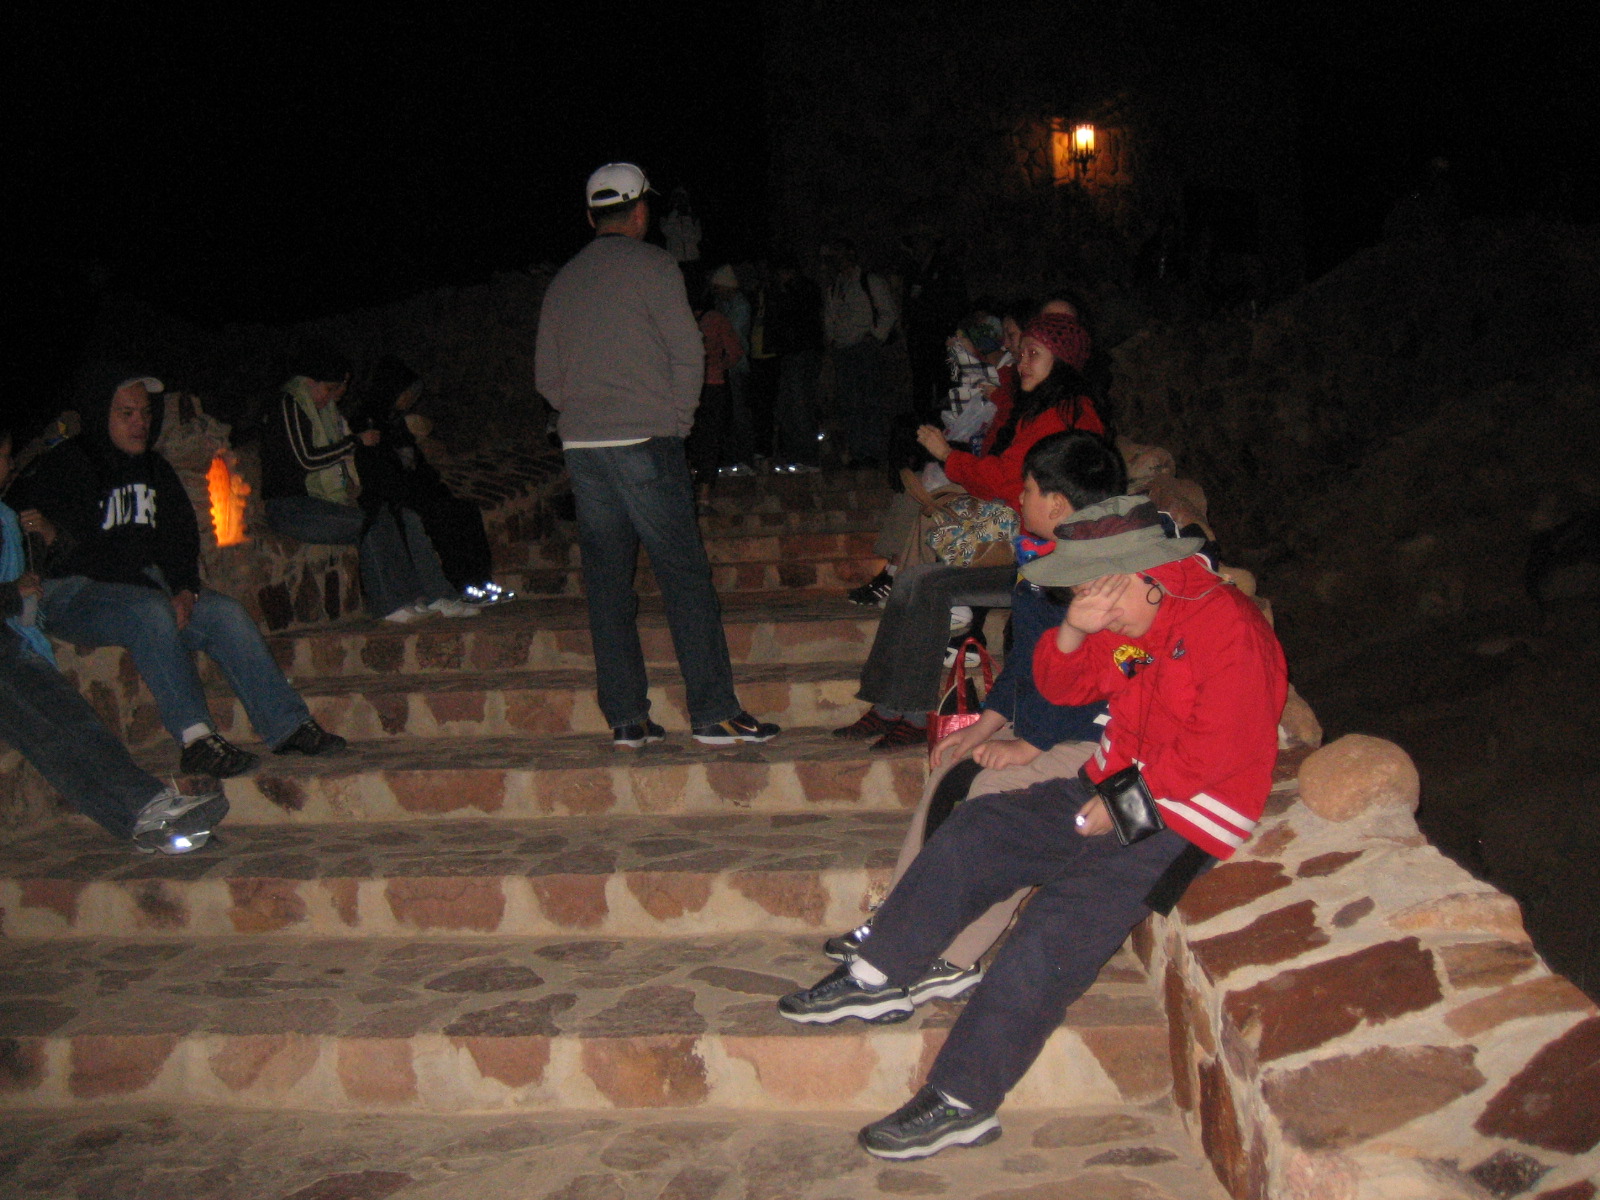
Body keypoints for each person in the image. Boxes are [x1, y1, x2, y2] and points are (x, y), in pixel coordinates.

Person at [778, 495, 1287, 1161]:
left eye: (1088, 585)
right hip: (1109, 785)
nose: (1081, 595)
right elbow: (1065, 687)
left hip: (1185, 814)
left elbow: (1223, 749)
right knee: (981, 828)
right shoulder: (1137, 621)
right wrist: (1073, 629)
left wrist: (1127, 799)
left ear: (1139, 576)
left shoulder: (1226, 628)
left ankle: (960, 1100)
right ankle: (880, 973)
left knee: (1055, 928)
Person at [820, 431, 1125, 998]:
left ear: (1057, 504)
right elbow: (1024, 667)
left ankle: (953, 954)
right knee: (951, 769)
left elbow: (1101, 684)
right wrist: (983, 727)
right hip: (1047, 722)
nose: (1019, 499)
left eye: (1026, 490)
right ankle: (900, 921)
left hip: (1095, 737)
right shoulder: (1040, 563)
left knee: (994, 794)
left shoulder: (1100, 578)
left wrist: (1028, 745)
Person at [534, 161, 781, 748]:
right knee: (684, 577)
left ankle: (627, 716)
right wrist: (677, 423)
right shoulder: (655, 266)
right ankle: (713, 711)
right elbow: (688, 352)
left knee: (608, 585)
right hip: (645, 439)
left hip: (585, 447)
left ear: (591, 217)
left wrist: (587, 412)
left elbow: (547, 379)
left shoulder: (564, 280)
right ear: (641, 212)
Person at [13, 369, 346, 779]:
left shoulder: (154, 469)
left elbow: (180, 535)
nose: (140, 423)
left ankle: (287, 724)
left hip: (141, 585)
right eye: (127, 414)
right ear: (101, 414)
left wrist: (185, 589)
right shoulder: (66, 466)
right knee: (150, 611)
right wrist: (157, 590)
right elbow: (79, 552)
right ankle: (196, 739)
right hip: (75, 592)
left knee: (224, 614)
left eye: (145, 413)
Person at [834, 313, 1110, 748]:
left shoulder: (1063, 416)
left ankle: (911, 713)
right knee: (913, 578)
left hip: (1052, 566)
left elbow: (1006, 480)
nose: (1021, 362)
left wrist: (950, 457)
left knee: (929, 586)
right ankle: (888, 707)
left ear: (1061, 361)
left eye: (1033, 354)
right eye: (1021, 352)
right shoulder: (1042, 408)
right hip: (1032, 553)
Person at [259, 345, 479, 623]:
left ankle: (424, 597)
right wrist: (354, 442)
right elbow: (306, 459)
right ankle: (390, 604)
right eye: (328, 389)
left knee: (395, 518)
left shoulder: (324, 414)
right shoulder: (289, 405)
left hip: (317, 504)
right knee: (371, 523)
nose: (332, 397)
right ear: (308, 383)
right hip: (290, 507)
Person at [346, 356, 509, 606]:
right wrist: (412, 489)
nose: (410, 399)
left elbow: (418, 464)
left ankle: (480, 580)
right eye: (406, 393)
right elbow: (379, 470)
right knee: (441, 517)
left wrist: (432, 485)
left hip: (416, 490)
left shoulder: (396, 422)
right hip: (393, 495)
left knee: (465, 511)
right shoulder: (368, 422)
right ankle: (461, 584)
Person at [823, 240, 899, 466]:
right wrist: (832, 340)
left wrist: (875, 336)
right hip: (843, 349)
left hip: (865, 347)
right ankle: (858, 452)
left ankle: (873, 452)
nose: (839, 261)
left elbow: (888, 311)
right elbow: (830, 317)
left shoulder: (869, 281)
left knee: (870, 399)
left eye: (842, 255)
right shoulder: (836, 287)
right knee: (849, 403)